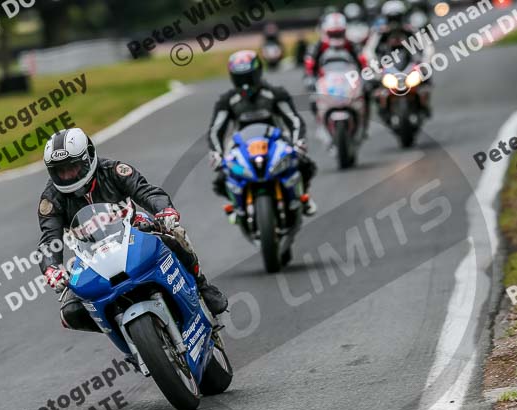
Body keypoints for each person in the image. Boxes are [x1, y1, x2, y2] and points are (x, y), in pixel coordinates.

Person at [36, 128, 228, 334]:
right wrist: (51, 268)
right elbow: (49, 240)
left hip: (134, 230)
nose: (67, 175)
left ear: (88, 157)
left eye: (72, 167)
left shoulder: (113, 170)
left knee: (173, 236)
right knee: (70, 312)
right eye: (60, 171)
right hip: (90, 253)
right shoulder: (52, 199)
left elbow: (146, 191)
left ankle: (202, 286)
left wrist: (164, 210)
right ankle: (122, 331)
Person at [207, 50, 318, 216]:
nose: (245, 83)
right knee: (221, 178)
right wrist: (216, 152)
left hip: (276, 141)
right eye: (240, 78)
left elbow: (293, 119)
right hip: (241, 145)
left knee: (305, 163)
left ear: (258, 73)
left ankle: (303, 196)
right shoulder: (227, 100)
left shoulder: (275, 93)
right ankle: (236, 206)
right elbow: (216, 130)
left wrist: (298, 141)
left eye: (248, 77)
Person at [304, 12, 371, 135]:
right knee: (313, 98)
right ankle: (320, 122)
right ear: (326, 31)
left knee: (367, 93)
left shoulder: (352, 45)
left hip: (349, 79)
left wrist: (366, 77)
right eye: (333, 33)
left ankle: (364, 124)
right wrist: (310, 79)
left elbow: (362, 62)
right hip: (326, 80)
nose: (336, 37)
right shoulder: (317, 47)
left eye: (339, 33)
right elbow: (309, 64)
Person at [364, 0, 433, 116]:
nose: (394, 22)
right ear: (386, 18)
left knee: (426, 81)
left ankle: (424, 105)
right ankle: (381, 110)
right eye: (391, 18)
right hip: (387, 69)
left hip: (410, 67)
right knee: (371, 86)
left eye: (397, 18)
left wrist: (425, 62)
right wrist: (374, 66)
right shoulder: (379, 33)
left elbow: (427, 47)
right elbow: (368, 51)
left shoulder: (411, 30)